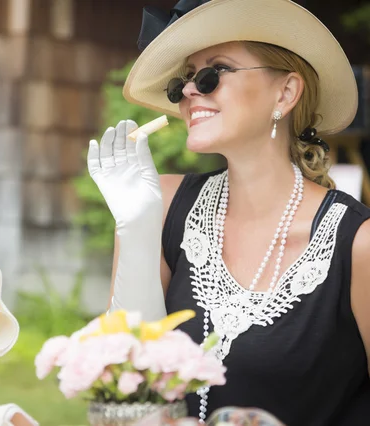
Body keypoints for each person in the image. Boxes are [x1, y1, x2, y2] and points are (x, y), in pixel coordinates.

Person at [87, 0, 370, 425]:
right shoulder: (159, 207)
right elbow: (131, 391)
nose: (188, 90)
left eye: (212, 73)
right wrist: (136, 230)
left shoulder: (359, 244)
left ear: (286, 92)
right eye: (184, 78)